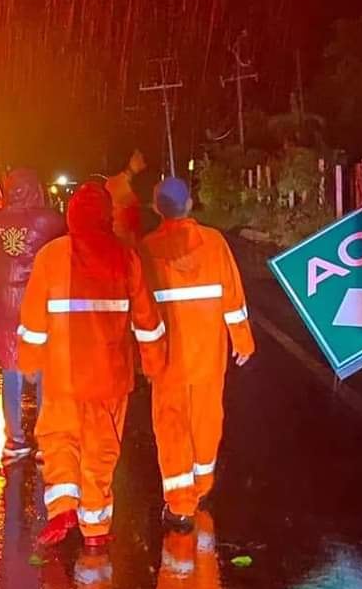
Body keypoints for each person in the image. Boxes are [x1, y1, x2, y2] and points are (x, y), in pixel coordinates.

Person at [17, 179, 166, 552]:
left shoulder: (51, 256)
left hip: (63, 374)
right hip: (109, 376)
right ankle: (95, 529)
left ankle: (63, 508)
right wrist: (154, 363)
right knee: (101, 450)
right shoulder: (125, 257)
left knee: (59, 438)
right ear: (107, 216)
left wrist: (29, 361)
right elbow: (147, 321)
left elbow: (33, 320)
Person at [139, 176, 254, 532]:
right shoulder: (214, 242)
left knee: (172, 425)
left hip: (168, 356)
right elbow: (233, 296)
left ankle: (180, 506)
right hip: (208, 354)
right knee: (207, 420)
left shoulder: (147, 249)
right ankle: (201, 487)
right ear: (189, 204)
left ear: (157, 208)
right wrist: (242, 340)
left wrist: (140, 355)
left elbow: (140, 309)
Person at [0, 168, 65, 463]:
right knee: (42, 367)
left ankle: (14, 440)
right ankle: (45, 440)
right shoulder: (48, 221)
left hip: (4, 296)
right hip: (35, 296)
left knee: (10, 365)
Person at [104, 146, 146, 249]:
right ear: (129, 160)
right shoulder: (116, 184)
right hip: (122, 246)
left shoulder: (133, 182)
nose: (141, 157)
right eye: (137, 155)